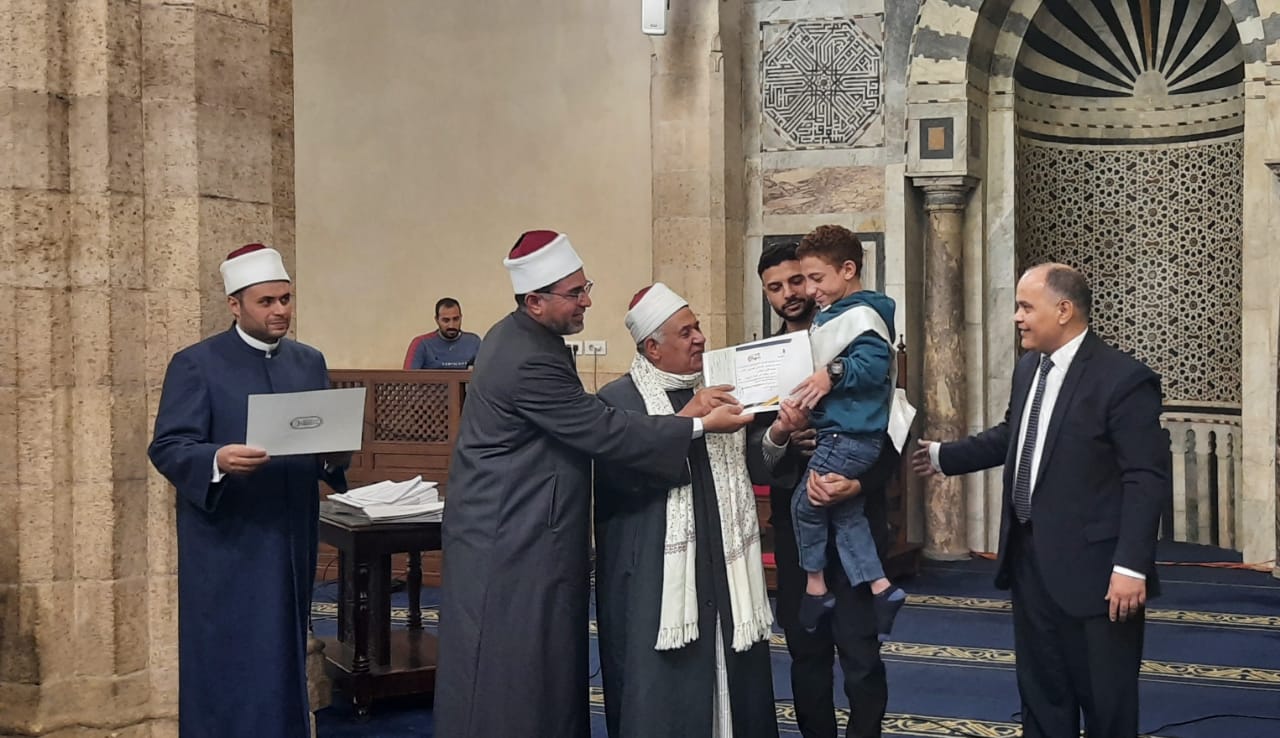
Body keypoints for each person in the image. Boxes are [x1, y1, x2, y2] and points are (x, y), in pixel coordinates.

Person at [434, 230, 755, 738]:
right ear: (535, 301)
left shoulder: (534, 340)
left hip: (532, 535)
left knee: (544, 674)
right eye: (575, 293)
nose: (587, 300)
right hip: (508, 541)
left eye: (586, 287)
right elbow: (599, 429)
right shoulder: (526, 356)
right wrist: (695, 424)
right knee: (509, 679)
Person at [911, 263, 1169, 738]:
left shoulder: (1124, 380)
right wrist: (944, 456)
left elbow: (1145, 478)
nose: (1017, 317)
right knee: (1042, 698)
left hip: (1098, 576)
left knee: (1107, 705)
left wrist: (1131, 566)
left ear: (1064, 310)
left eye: (1026, 307)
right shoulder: (1030, 367)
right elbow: (1014, 435)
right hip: (1030, 563)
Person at [148, 244, 348, 738]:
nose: (280, 311)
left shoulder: (308, 361)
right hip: (230, 541)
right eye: (267, 302)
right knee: (231, 654)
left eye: (286, 299)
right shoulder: (196, 364)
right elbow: (168, 446)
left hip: (292, 533)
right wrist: (216, 459)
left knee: (284, 649)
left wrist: (334, 455)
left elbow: (320, 437)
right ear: (235, 305)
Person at [593, 283, 778, 738]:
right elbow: (622, 479)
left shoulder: (721, 387)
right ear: (652, 348)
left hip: (725, 571)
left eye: (697, 328)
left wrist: (781, 433)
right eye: (686, 332)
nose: (700, 338)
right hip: (653, 578)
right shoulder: (619, 401)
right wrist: (689, 422)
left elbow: (757, 464)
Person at [746, 241, 899, 738]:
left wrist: (856, 482)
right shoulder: (761, 361)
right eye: (776, 287)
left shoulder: (856, 337)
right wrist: (782, 435)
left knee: (861, 656)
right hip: (798, 535)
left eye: (799, 280)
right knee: (807, 654)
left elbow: (892, 436)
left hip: (858, 518)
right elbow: (757, 459)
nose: (792, 293)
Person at [787, 226, 906, 638]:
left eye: (817, 278)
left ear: (848, 270)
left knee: (804, 505)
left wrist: (832, 372)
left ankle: (815, 587)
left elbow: (873, 367)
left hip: (848, 436)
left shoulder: (862, 315)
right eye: (806, 279)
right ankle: (881, 587)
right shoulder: (837, 312)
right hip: (844, 434)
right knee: (845, 514)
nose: (810, 290)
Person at [402, 297, 482, 369]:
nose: (451, 325)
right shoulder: (421, 344)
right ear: (437, 320)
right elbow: (407, 378)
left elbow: (484, 374)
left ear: (461, 317)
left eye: (456, 319)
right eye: (446, 320)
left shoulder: (474, 342)